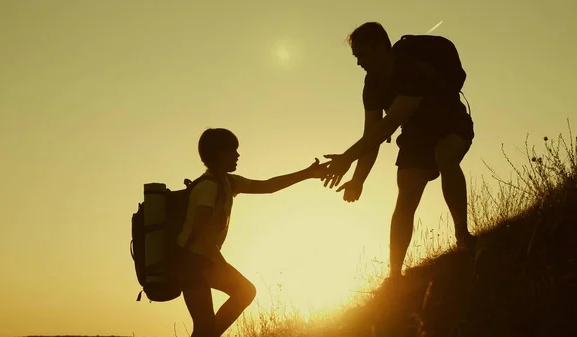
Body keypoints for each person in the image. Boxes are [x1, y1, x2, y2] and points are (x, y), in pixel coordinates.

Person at [322, 22, 476, 282]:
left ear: (381, 47)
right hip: (416, 135)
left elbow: (389, 124)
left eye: (361, 55)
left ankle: (463, 235)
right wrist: (358, 180)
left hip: (450, 122)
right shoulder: (372, 84)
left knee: (445, 156)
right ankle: (395, 275)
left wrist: (346, 158)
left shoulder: (410, 69)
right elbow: (371, 135)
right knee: (406, 192)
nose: (358, 62)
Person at [174, 128, 328, 337]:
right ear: (219, 154)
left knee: (237, 299)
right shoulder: (208, 187)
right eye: (232, 150)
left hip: (204, 260)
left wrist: (307, 173)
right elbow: (200, 232)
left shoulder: (228, 182)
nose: (238, 155)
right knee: (208, 323)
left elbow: (268, 186)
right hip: (192, 263)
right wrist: (220, 262)